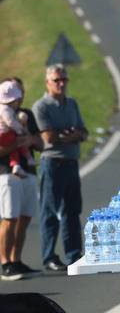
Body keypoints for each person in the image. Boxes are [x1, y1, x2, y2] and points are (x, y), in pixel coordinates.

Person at [32, 64, 89, 272]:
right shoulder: (41, 106)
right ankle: (49, 256)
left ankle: (74, 253)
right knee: (50, 212)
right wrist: (70, 135)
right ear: (48, 82)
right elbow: (49, 137)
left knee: (72, 210)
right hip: (53, 164)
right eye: (57, 80)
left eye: (64, 79)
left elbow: (84, 132)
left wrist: (69, 134)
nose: (62, 84)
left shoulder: (71, 104)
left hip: (71, 163)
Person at [0, 80, 39, 280]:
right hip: (6, 172)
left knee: (24, 217)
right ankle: (5, 263)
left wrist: (28, 138)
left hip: (28, 171)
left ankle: (16, 260)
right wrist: (17, 141)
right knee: (9, 218)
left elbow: (39, 141)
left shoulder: (26, 114)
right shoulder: (3, 114)